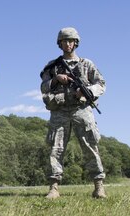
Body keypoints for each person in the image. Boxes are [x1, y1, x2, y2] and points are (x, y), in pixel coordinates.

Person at [40, 27, 107, 199]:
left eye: (71, 41)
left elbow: (101, 84)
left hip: (81, 110)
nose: (68, 44)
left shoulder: (86, 64)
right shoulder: (53, 66)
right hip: (60, 111)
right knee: (56, 149)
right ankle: (54, 187)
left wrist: (87, 92)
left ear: (75, 43)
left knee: (90, 147)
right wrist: (56, 79)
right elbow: (43, 87)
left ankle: (99, 186)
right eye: (64, 41)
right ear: (59, 43)